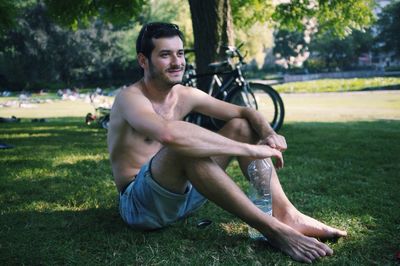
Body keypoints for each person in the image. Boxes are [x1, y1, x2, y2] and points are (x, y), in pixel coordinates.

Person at [107, 22, 347, 263]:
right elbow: (169, 135)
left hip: (184, 196)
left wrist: (267, 132)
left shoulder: (185, 94)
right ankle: (273, 229)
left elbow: (245, 112)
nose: (177, 62)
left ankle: (286, 214)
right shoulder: (129, 98)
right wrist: (250, 149)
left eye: (180, 53)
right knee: (182, 145)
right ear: (143, 60)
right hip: (140, 206)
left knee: (241, 127)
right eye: (165, 55)